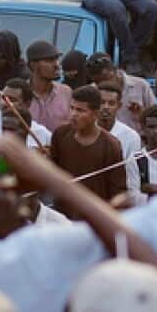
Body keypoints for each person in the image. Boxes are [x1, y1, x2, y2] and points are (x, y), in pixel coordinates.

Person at [48, 84, 126, 216]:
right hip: (63, 215)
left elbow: (117, 191)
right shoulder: (60, 134)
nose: (73, 114)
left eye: (80, 110)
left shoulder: (111, 145)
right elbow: (52, 172)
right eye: (72, 108)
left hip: (96, 217)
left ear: (95, 114)